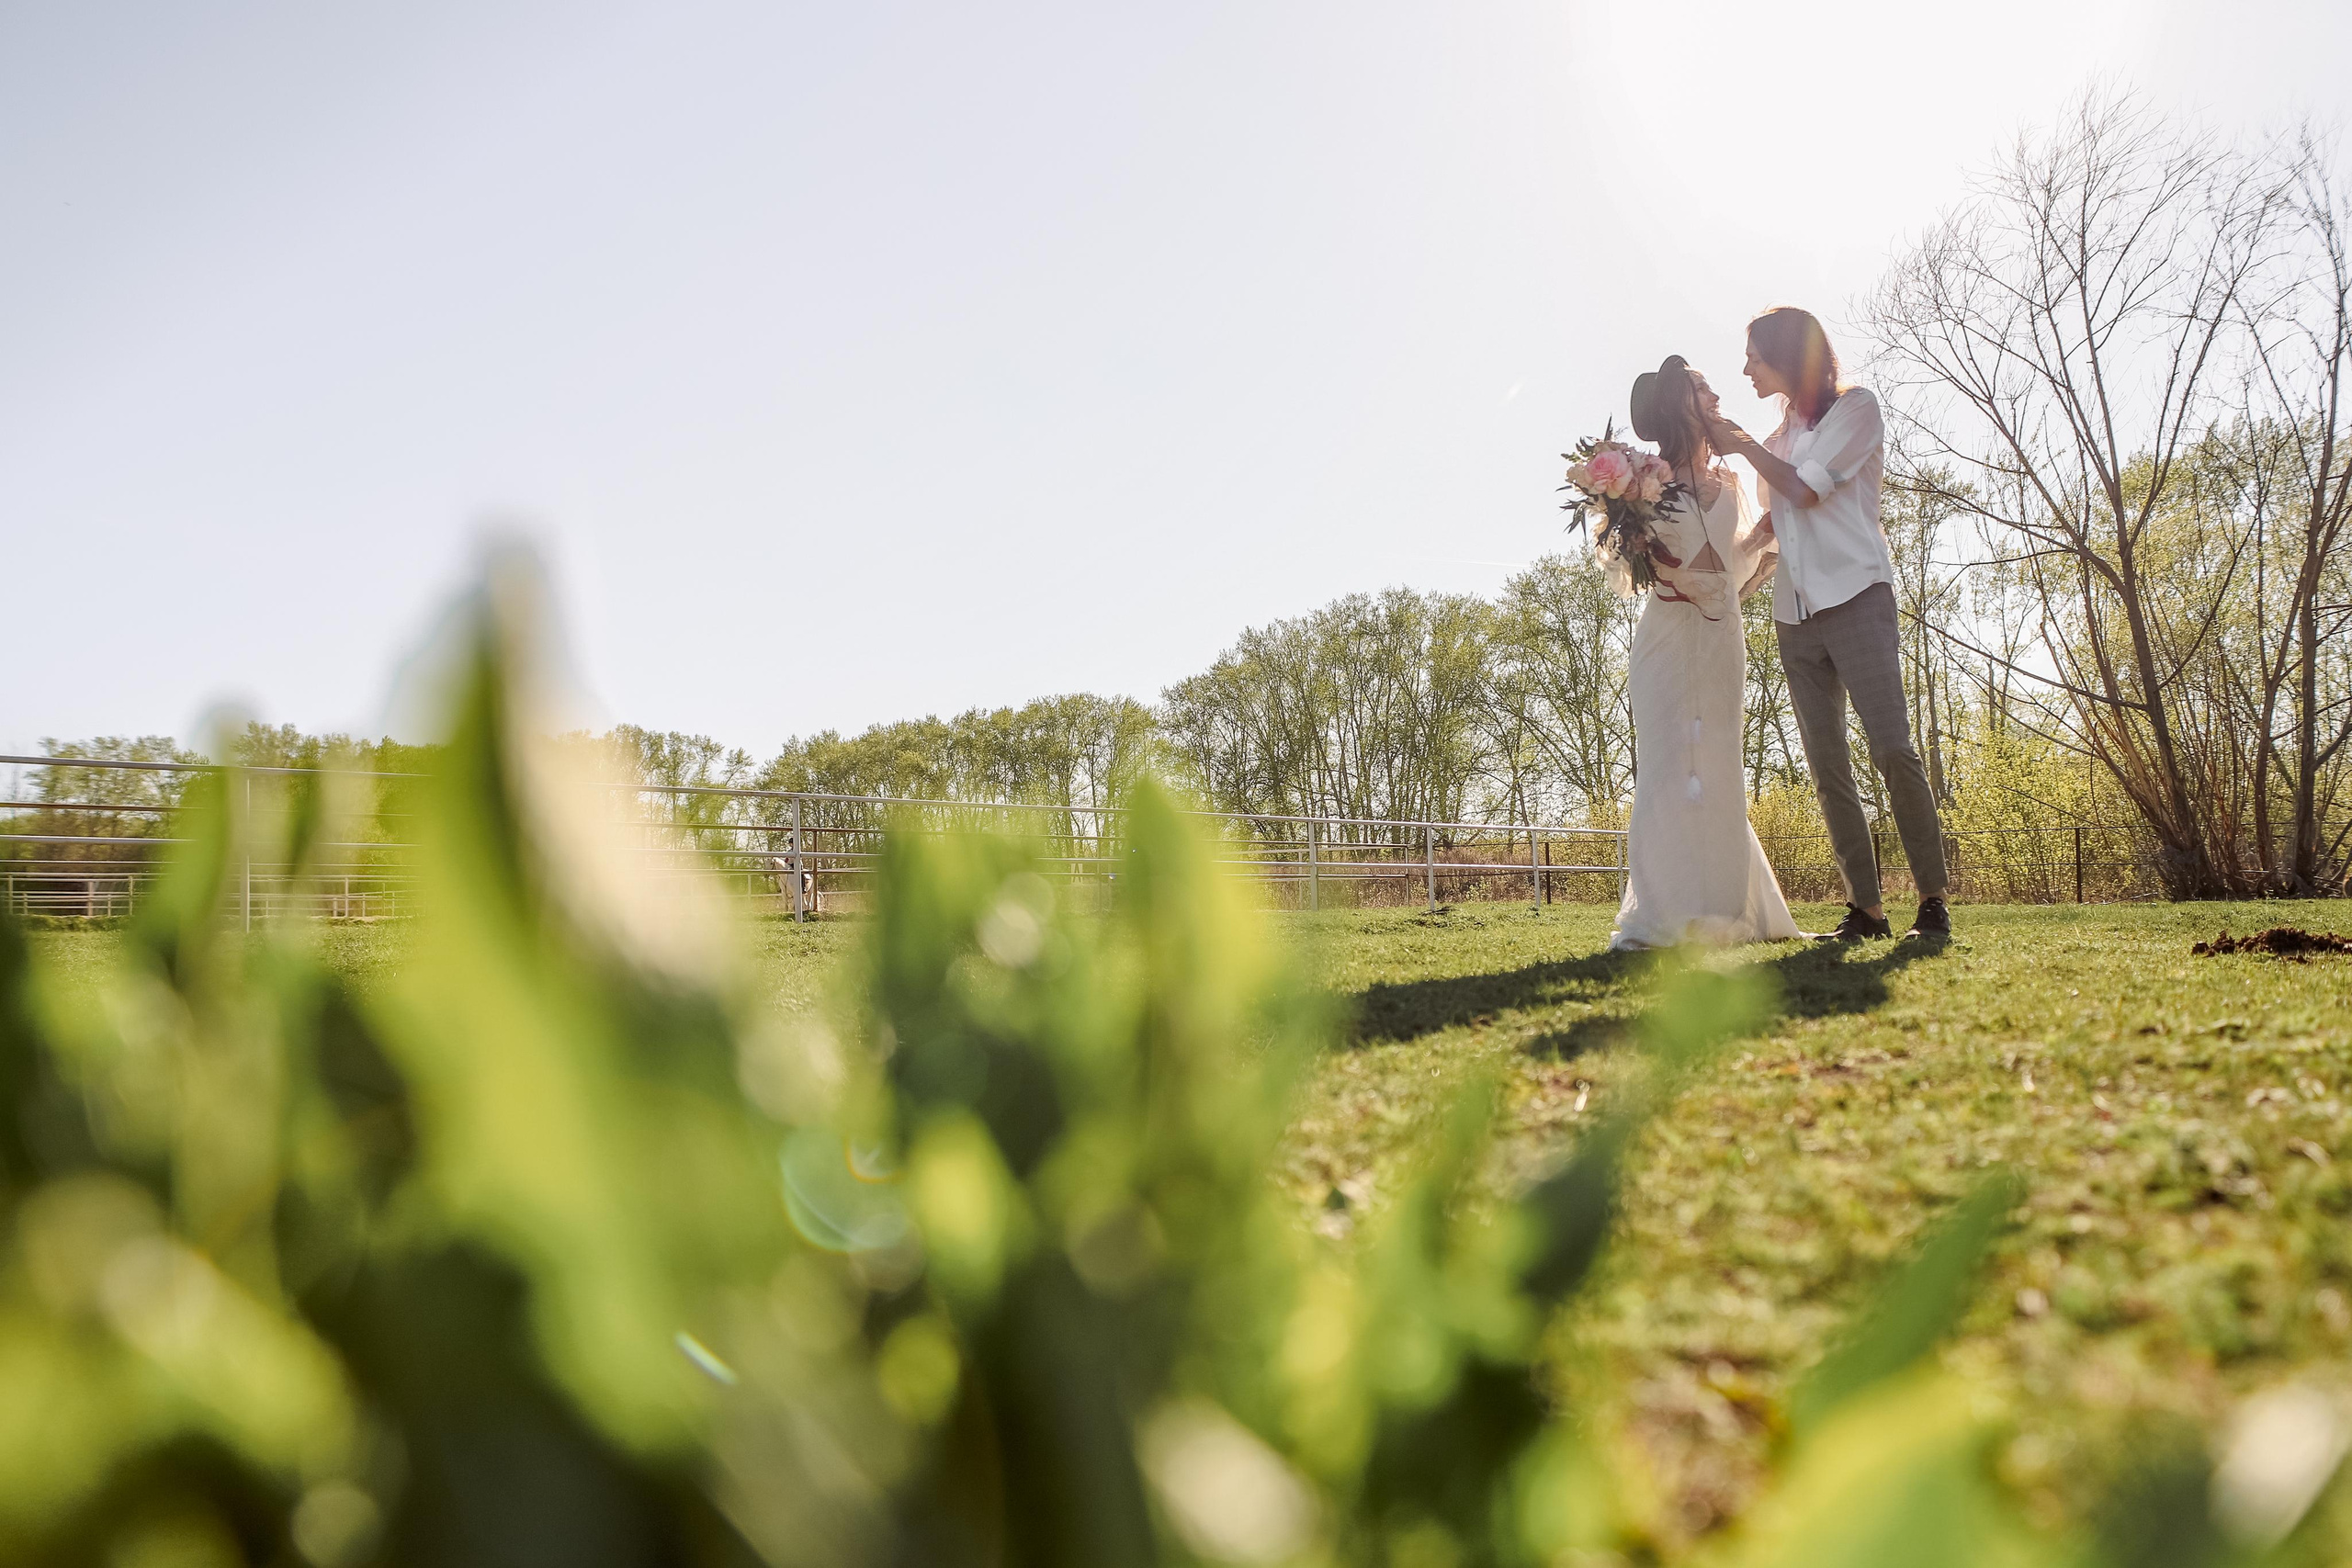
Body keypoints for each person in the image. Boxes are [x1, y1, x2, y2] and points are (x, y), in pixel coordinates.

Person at [1701, 307, 1951, 941]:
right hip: (1796, 616)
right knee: (1827, 766)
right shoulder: (1778, 437)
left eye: (1754, 354)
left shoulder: (1856, 409)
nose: (1747, 368)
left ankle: (1932, 901)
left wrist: (1746, 447)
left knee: (1893, 748)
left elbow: (1807, 491)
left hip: (1859, 596)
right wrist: (1727, 579)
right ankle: (1866, 910)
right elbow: (1778, 523)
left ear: (1788, 354)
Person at [1608, 355, 1802, 952]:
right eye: (1700, 387)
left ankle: (1721, 910)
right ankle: (1664, 912)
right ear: (1677, 406)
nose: (1716, 393)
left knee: (1717, 765)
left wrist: (1763, 537)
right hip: (1664, 643)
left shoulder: (1734, 485)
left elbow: (1733, 569)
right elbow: (1628, 568)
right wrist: (1665, 569)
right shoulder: (1646, 485)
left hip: (1721, 640)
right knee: (1669, 768)